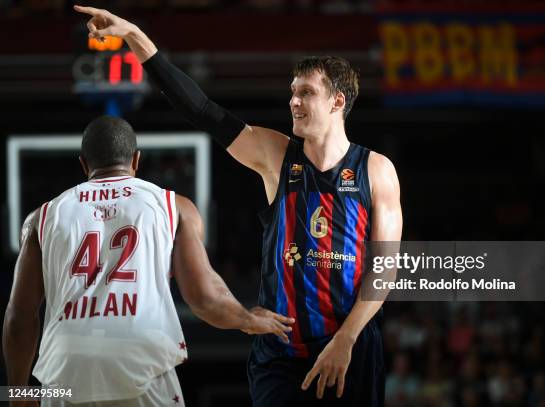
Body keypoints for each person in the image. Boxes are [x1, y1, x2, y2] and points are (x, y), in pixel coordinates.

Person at [75, 6, 403, 406]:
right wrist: (134, 36)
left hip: (352, 345)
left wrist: (346, 339)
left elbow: (384, 270)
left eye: (306, 93)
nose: (293, 102)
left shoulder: (376, 170)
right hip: (281, 349)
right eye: (292, 92)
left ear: (337, 101)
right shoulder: (277, 155)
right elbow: (202, 110)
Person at [2, 116, 294, 407]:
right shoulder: (173, 206)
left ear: (83, 164)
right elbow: (204, 298)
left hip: (63, 373)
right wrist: (247, 319)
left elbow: (20, 315)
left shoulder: (42, 217)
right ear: (136, 160)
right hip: (140, 361)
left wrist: (17, 391)